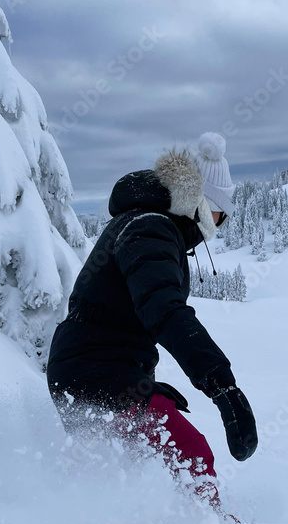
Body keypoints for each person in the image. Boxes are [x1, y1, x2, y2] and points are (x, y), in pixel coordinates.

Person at [46, 133, 258, 500]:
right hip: (96, 372)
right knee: (191, 453)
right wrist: (223, 387)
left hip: (95, 369)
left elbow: (129, 318)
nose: (219, 225)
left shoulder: (147, 223)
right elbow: (164, 311)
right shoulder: (151, 227)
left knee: (119, 473)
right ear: (203, 205)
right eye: (219, 213)